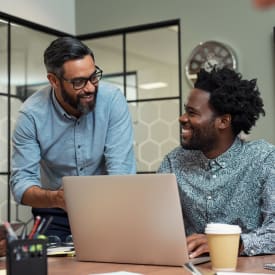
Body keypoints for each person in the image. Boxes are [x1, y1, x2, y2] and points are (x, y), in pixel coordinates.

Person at [10, 36, 136, 241]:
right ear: (53, 80)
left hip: (108, 206)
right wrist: (57, 198)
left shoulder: (112, 100)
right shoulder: (31, 115)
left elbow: (121, 172)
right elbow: (21, 184)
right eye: (78, 82)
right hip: (54, 213)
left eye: (94, 77)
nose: (90, 88)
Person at [158, 67, 275, 258]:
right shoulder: (174, 162)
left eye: (192, 113)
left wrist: (227, 244)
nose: (182, 118)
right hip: (189, 268)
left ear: (223, 121)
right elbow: (155, 224)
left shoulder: (264, 159)